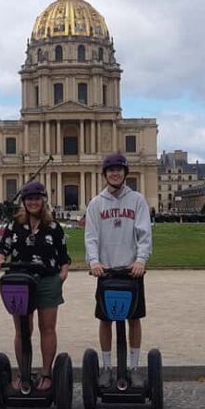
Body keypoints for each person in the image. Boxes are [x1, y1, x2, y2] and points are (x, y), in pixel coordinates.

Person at [0, 181, 70, 391]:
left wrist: (62, 275)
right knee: (22, 330)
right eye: (29, 199)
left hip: (47, 281)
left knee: (47, 328)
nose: (33, 202)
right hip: (20, 280)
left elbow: (63, 256)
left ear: (44, 201)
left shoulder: (53, 227)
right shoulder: (15, 224)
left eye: (37, 198)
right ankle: (24, 372)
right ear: (24, 202)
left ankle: (46, 373)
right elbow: (3, 247)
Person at [85, 152, 152, 389]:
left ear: (125, 173)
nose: (115, 173)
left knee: (134, 318)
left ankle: (133, 367)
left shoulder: (137, 200)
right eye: (111, 170)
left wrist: (141, 260)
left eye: (119, 170)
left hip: (131, 270)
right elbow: (91, 237)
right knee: (105, 320)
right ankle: (105, 367)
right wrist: (94, 262)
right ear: (104, 174)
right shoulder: (96, 203)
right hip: (107, 271)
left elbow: (144, 234)